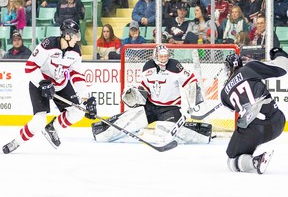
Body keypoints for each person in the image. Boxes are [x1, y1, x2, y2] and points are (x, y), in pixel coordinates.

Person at [2, 19, 97, 154]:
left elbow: (77, 75)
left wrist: (86, 99)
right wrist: (42, 83)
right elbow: (30, 66)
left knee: (78, 112)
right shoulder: (48, 44)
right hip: (39, 83)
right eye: (75, 35)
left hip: (61, 84)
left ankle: (52, 127)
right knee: (39, 120)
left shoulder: (76, 51)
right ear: (67, 35)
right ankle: (16, 142)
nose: (77, 38)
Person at [92, 44, 212, 144]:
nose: (164, 59)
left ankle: (202, 133)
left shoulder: (175, 66)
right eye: (161, 56)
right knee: (129, 121)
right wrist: (135, 94)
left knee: (164, 133)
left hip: (170, 108)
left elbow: (190, 81)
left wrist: (194, 100)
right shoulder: (148, 67)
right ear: (156, 56)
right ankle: (102, 131)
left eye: (165, 56)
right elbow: (144, 88)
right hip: (150, 106)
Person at [221, 47, 288, 174]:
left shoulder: (224, 94)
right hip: (277, 121)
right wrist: (278, 52)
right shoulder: (249, 68)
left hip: (254, 130)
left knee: (232, 160)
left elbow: (230, 106)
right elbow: (284, 67)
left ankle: (255, 162)